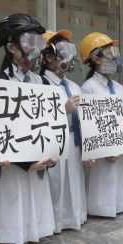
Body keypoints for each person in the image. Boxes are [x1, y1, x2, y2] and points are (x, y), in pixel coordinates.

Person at [0, 13, 56, 244]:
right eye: (30, 41)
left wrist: (51, 155)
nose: (36, 49)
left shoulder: (41, 83)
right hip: (13, 169)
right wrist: (27, 163)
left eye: (40, 42)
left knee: (34, 239)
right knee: (17, 243)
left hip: (39, 165)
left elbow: (51, 124)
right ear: (11, 47)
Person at [79, 32, 123, 214]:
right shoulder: (88, 87)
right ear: (96, 59)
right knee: (102, 182)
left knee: (117, 179)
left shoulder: (118, 88)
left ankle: (118, 205)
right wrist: (104, 152)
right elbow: (89, 123)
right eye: (110, 53)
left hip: (119, 146)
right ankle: (100, 208)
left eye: (114, 52)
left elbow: (122, 118)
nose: (115, 57)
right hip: (101, 151)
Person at [40, 29, 87, 232]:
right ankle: (54, 222)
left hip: (73, 139)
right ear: (48, 56)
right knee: (56, 183)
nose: (68, 55)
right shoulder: (40, 84)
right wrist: (63, 110)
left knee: (74, 181)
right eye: (62, 49)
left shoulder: (74, 86)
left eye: (70, 49)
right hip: (53, 140)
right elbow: (37, 118)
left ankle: (74, 216)